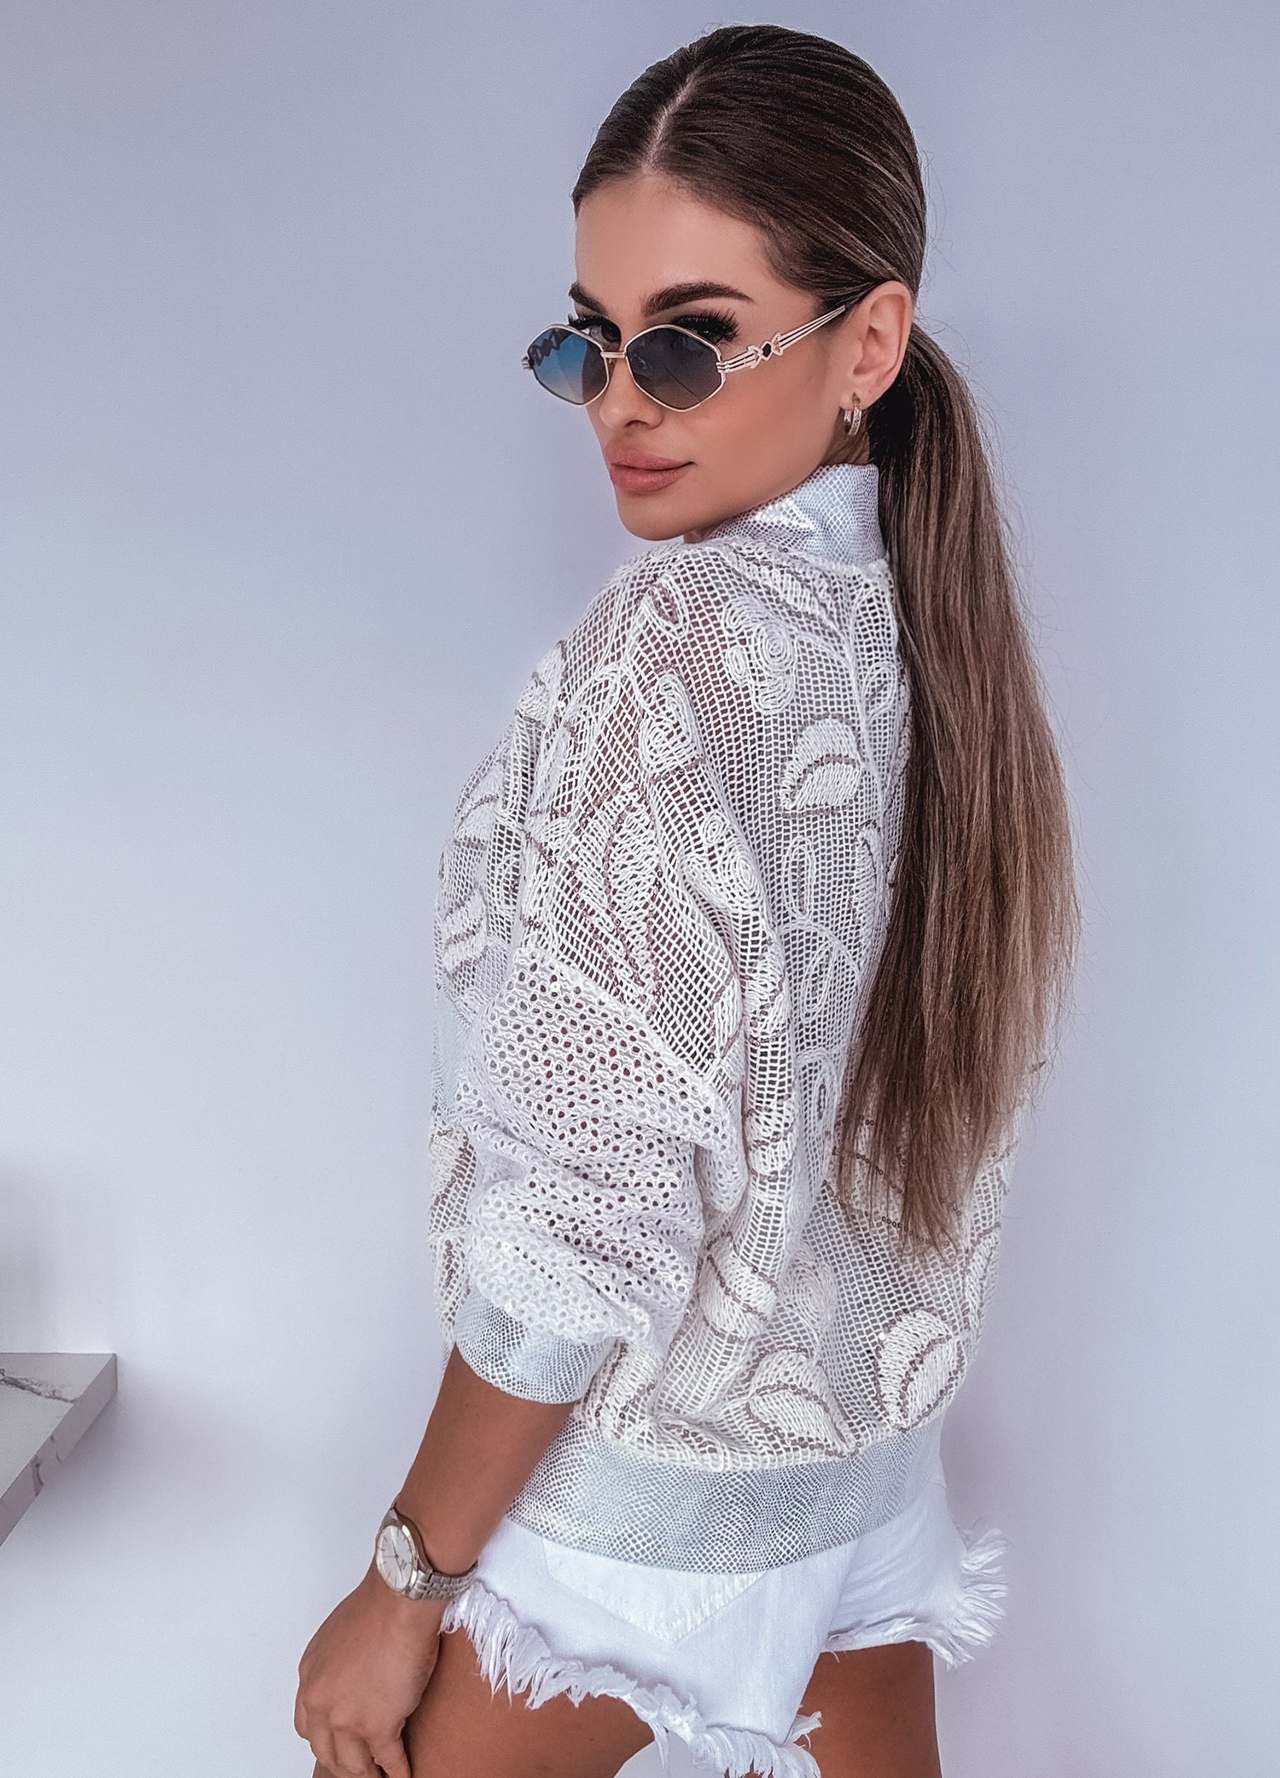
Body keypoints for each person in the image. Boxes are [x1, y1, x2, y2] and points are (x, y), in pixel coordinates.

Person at [294, 23, 1078, 1778]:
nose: (622, 401)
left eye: (688, 338)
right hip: (859, 1488)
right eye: (589, 338)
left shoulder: (675, 652)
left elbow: (585, 1218)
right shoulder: (929, 632)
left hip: (645, 1515)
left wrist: (406, 1577)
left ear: (867, 340)